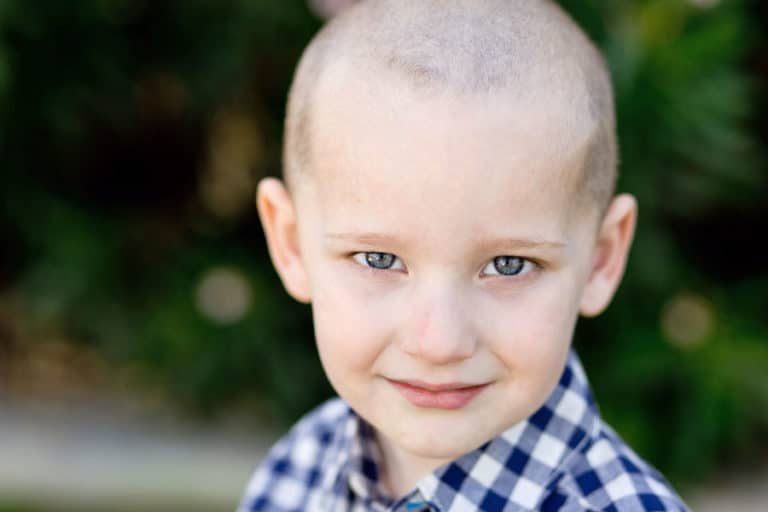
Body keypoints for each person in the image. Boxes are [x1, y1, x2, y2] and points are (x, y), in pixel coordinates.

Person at [238, 0, 689, 510]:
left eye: (509, 265)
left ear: (602, 259)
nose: (439, 342)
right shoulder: (296, 472)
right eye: (379, 260)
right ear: (292, 244)